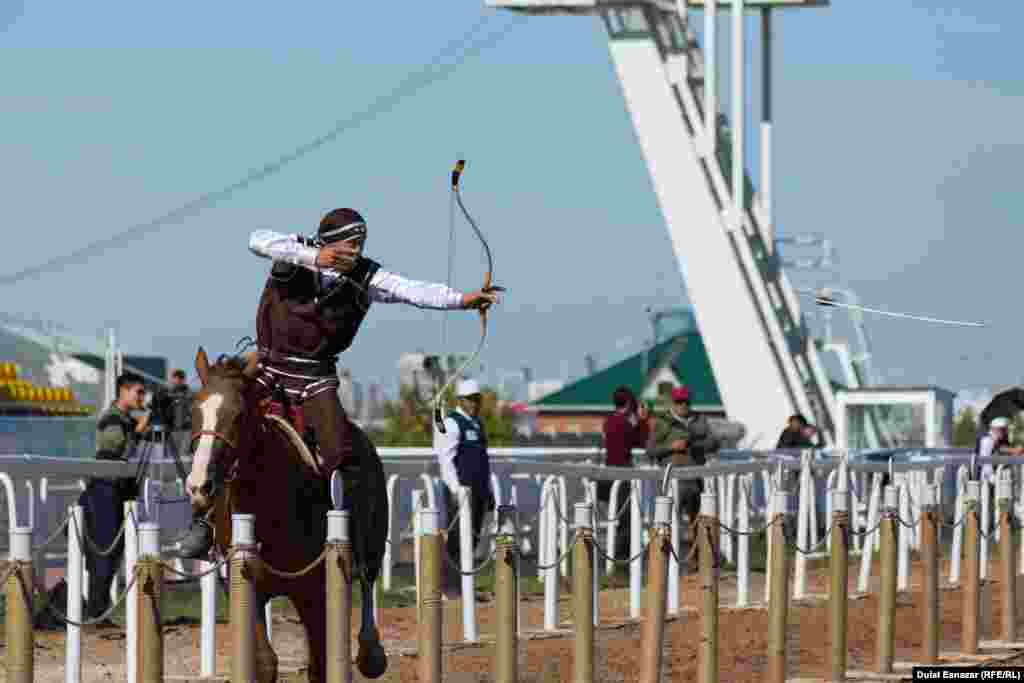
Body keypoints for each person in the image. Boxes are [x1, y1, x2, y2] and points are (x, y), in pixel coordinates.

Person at [178, 207, 501, 558]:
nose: (357, 252)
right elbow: (256, 240)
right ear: (330, 243)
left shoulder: (367, 276)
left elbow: (413, 290)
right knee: (222, 430)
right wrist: (315, 256)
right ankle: (205, 522)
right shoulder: (297, 253)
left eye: (361, 244)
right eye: (350, 244)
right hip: (268, 370)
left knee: (340, 452)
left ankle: (346, 535)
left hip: (316, 379)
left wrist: (462, 300)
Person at [83, 372, 150, 622]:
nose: (142, 397)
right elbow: (114, 451)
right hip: (105, 489)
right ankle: (96, 612)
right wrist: (140, 428)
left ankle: (98, 611)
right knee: (104, 551)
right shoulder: (112, 418)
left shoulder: (124, 420)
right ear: (124, 391)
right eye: (138, 392)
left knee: (112, 552)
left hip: (116, 490)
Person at [433, 379, 495, 596]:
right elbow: (445, 459)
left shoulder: (477, 423)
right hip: (460, 492)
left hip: (478, 491)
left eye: (477, 399)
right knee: (457, 539)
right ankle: (450, 587)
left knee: (473, 537)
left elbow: (482, 460)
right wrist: (455, 488)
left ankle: (463, 585)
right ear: (460, 400)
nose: (474, 403)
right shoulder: (452, 423)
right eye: (470, 399)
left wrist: (489, 491)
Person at [646, 386, 718, 569]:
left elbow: (714, 443)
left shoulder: (700, 420)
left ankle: (698, 562)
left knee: (699, 522)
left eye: (686, 401)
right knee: (667, 522)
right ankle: (664, 563)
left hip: (695, 479)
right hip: (671, 483)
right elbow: (651, 450)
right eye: (679, 402)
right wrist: (671, 447)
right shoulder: (663, 422)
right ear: (673, 402)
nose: (683, 405)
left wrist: (694, 444)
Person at [598, 386, 649, 560]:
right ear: (628, 403)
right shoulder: (626, 424)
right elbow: (642, 442)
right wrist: (642, 421)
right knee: (626, 517)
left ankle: (617, 555)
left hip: (608, 473)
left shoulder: (608, 421)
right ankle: (622, 557)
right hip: (623, 473)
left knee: (618, 516)